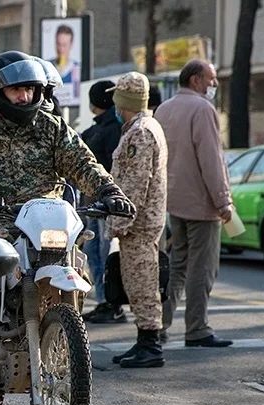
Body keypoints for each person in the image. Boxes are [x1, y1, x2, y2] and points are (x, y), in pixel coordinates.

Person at [0, 51, 135, 385]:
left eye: (30, 89)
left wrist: (109, 192)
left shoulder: (51, 126)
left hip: (47, 218)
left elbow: (83, 163)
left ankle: (63, 329)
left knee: (76, 261)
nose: (25, 97)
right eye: (17, 90)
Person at [154, 59, 234, 347]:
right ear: (196, 79)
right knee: (203, 268)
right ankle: (197, 328)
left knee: (178, 266)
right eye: (211, 79)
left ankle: (158, 325)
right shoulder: (203, 109)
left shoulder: (164, 109)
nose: (214, 84)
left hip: (174, 200)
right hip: (202, 203)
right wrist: (223, 201)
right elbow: (211, 160)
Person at [104, 73, 168, 368]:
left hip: (138, 224)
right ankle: (144, 340)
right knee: (136, 281)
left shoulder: (140, 132)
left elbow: (135, 183)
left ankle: (150, 344)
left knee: (142, 283)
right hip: (141, 222)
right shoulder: (143, 127)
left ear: (124, 101)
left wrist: (119, 221)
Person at [80, 79, 126, 324]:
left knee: (102, 253)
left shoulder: (110, 129)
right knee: (94, 252)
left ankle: (111, 303)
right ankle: (104, 301)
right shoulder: (100, 128)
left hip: (104, 204)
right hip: (94, 204)